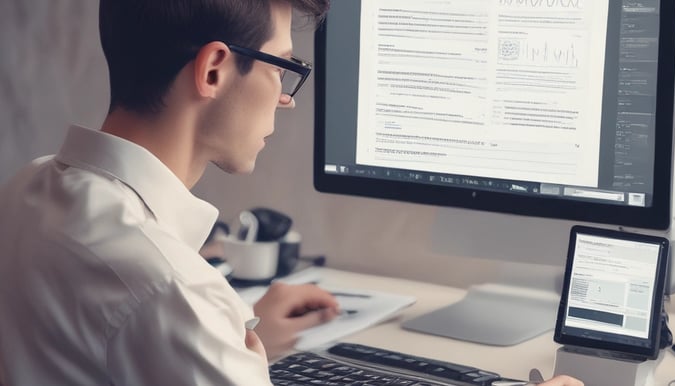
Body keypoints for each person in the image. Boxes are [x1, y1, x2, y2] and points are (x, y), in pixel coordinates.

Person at [0, 0, 583, 385]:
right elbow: (156, 306)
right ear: (213, 71)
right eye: (282, 66)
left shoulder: (28, 186)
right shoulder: (168, 287)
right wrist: (211, 324)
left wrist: (240, 334)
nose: (287, 98)